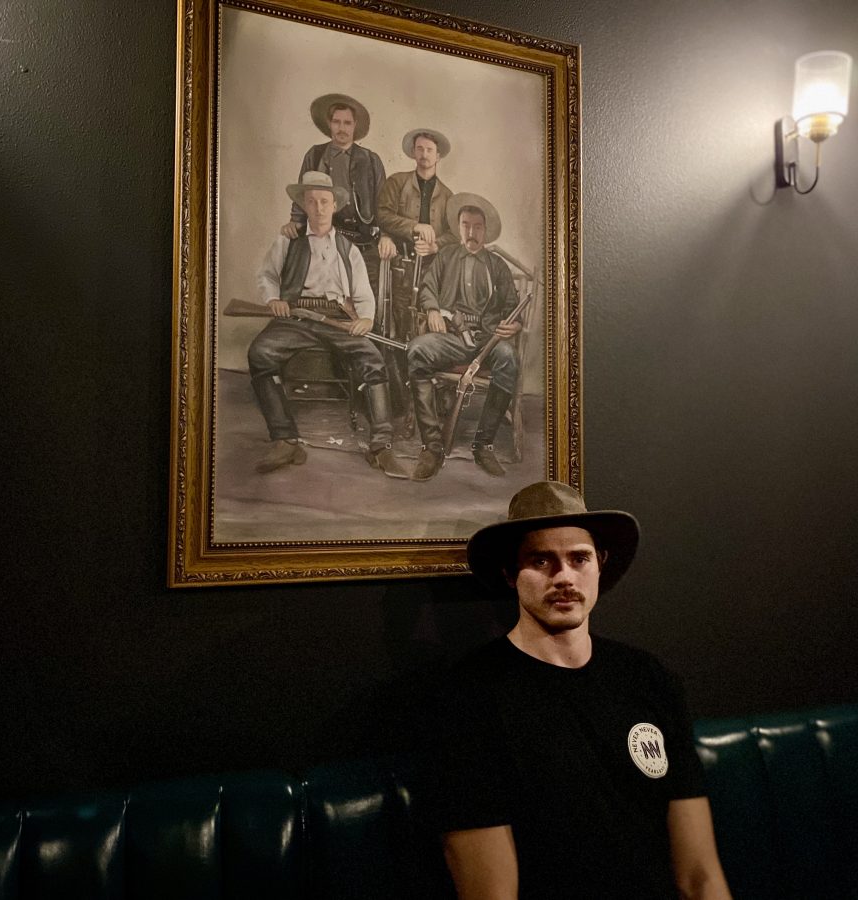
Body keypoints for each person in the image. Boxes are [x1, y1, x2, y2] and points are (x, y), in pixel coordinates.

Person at [432, 481, 732, 900]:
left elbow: (699, 874)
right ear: (509, 573)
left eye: (579, 558)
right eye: (541, 561)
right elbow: (491, 892)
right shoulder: (469, 697)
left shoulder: (648, 677)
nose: (564, 577)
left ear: (600, 564)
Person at [249, 171, 406, 479]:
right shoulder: (287, 240)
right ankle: (285, 439)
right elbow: (266, 276)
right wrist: (273, 301)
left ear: (335, 206)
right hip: (295, 317)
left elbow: (363, 294)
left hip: (336, 320)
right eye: (312, 201)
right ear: (304, 205)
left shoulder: (349, 249)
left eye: (324, 201)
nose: (319, 208)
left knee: (374, 360)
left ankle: (381, 446)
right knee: (259, 354)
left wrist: (365, 319)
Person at [406, 193, 522, 481]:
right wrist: (432, 308)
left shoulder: (497, 265)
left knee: (509, 358)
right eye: (466, 225)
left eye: (478, 227)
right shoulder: (445, 256)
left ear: (485, 230)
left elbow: (512, 306)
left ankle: (483, 445)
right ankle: (432, 447)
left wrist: (515, 325)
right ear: (459, 227)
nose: (472, 233)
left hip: (488, 339)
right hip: (453, 338)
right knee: (417, 350)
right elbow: (428, 287)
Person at [281, 94, 392, 298]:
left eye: (347, 123)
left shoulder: (371, 160)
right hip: (323, 237)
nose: (342, 128)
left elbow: (382, 204)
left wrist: (386, 235)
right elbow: (302, 196)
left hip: (362, 241)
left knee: (365, 300)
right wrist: (295, 222)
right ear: (329, 124)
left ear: (355, 125)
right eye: (336, 122)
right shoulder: (315, 155)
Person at [376, 128, 457, 259]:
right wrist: (414, 226)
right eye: (420, 149)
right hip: (398, 259)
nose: (424, 154)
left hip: (432, 265)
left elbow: (454, 234)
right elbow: (383, 216)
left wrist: (436, 246)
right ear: (413, 152)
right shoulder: (396, 182)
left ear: (438, 156)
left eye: (429, 150)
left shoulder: (447, 195)